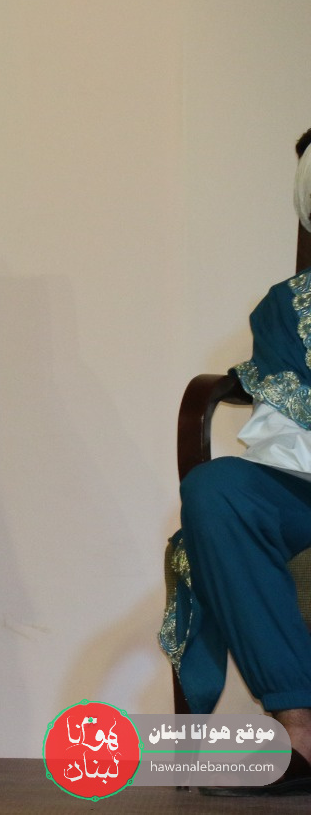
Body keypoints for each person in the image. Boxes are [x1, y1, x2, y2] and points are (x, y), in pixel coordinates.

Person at [164, 128, 311, 796]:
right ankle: (300, 731)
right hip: (303, 485)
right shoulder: (289, 308)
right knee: (217, 489)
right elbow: (289, 428)